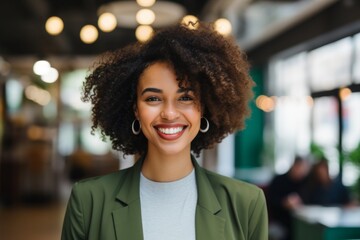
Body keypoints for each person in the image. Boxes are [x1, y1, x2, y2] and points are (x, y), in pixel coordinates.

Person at [61, 22, 268, 240]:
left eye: (186, 98)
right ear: (136, 110)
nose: (169, 113)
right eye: (153, 99)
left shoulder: (246, 203)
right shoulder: (88, 201)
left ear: (204, 108)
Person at [267, 156, 309, 240]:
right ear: (294, 166)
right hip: (281, 221)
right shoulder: (279, 180)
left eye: (305, 170)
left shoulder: (306, 183)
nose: (302, 172)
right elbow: (270, 201)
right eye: (301, 168)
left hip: (302, 222)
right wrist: (284, 203)